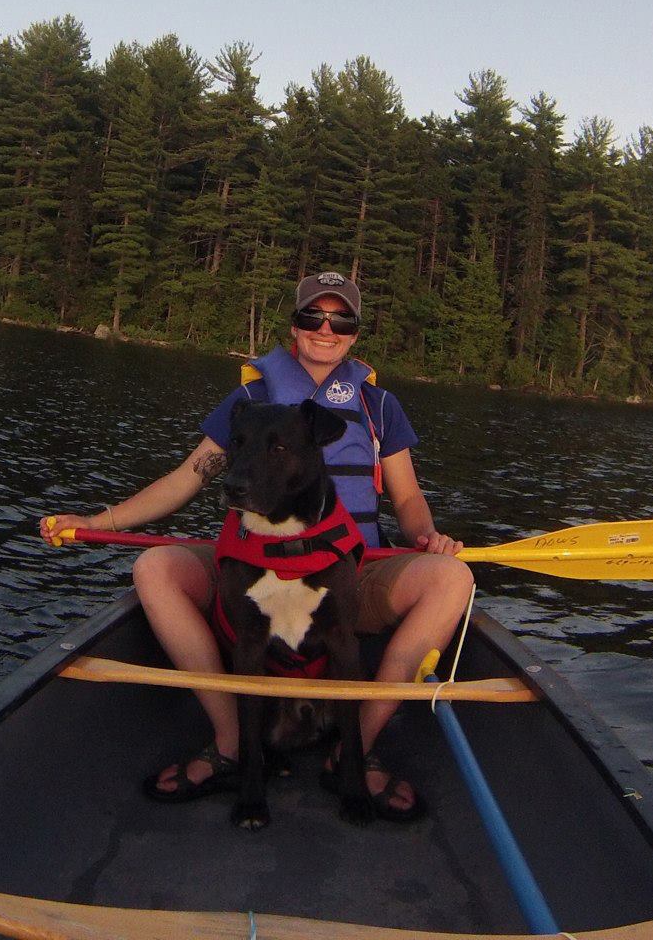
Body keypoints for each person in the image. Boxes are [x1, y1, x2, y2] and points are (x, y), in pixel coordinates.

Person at [40, 271, 471, 820]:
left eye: (342, 320)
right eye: (313, 316)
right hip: (255, 561)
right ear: (294, 325)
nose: (326, 329)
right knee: (155, 569)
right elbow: (188, 477)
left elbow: (407, 498)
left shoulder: (378, 406)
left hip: (349, 570)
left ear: (356, 334)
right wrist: (99, 520)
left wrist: (425, 536)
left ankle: (354, 748)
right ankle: (231, 744)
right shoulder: (249, 400)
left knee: (454, 579)